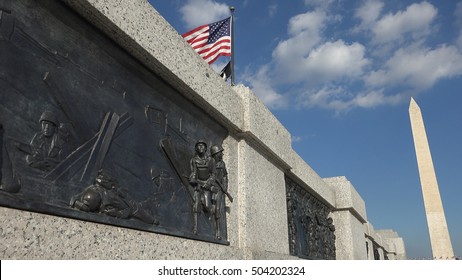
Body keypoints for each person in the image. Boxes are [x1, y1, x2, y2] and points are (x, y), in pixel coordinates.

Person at [70, 169, 158, 225]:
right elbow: (84, 206)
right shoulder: (96, 192)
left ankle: (152, 218)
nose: (112, 184)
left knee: (145, 209)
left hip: (133, 209)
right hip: (128, 212)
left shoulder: (115, 191)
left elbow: (131, 206)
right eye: (109, 180)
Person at [188, 140, 216, 235]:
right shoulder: (193, 160)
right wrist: (193, 178)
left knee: (207, 206)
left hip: (207, 185)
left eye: (203, 146)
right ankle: (195, 227)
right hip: (198, 185)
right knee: (195, 206)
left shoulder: (211, 160)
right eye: (199, 146)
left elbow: (213, 174)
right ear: (196, 148)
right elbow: (193, 172)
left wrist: (208, 183)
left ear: (206, 148)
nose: (201, 147)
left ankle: (211, 214)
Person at [210, 144, 228, 239]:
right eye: (221, 152)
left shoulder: (222, 164)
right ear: (216, 154)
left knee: (217, 209)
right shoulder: (209, 162)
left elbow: (225, 176)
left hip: (219, 189)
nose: (222, 154)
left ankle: (217, 230)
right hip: (210, 187)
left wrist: (225, 187)